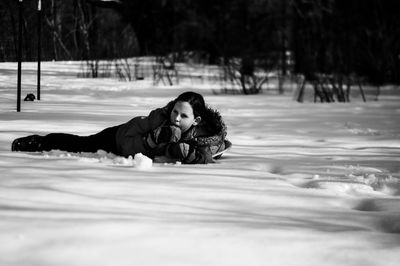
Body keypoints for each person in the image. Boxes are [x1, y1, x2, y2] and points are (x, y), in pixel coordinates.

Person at [11, 91, 229, 164]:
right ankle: (40, 141)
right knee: (80, 144)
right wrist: (150, 141)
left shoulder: (205, 135)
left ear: (197, 120)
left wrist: (190, 155)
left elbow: (212, 152)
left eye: (183, 115)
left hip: (131, 144)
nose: (176, 118)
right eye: (175, 111)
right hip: (117, 139)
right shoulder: (158, 120)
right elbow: (126, 145)